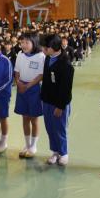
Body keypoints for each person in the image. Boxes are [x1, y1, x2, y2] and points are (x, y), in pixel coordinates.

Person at [40, 34, 74, 166]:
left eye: (46, 47)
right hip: (47, 100)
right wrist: (42, 97)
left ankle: (63, 153)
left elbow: (66, 88)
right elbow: (46, 80)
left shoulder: (66, 63)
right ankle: (54, 151)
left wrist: (60, 106)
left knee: (60, 128)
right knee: (50, 127)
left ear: (54, 47)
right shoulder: (48, 58)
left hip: (60, 103)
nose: (43, 50)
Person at [14, 32, 45, 158]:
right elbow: (16, 71)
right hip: (21, 87)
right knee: (25, 118)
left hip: (34, 89)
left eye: (27, 42)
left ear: (34, 43)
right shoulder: (20, 55)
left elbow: (41, 75)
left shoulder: (40, 56)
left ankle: (33, 146)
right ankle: (27, 144)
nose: (24, 45)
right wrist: (18, 83)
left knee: (34, 119)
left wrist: (28, 86)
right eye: (22, 42)